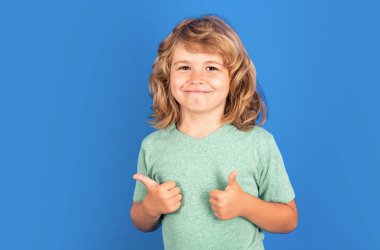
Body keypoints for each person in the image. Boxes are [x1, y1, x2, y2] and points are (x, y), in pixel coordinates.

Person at [130, 14, 298, 250]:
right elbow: (140, 220)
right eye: (185, 67)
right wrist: (151, 206)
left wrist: (245, 205)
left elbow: (289, 219)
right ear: (167, 77)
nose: (197, 78)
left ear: (234, 79)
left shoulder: (258, 143)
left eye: (211, 67)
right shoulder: (153, 146)